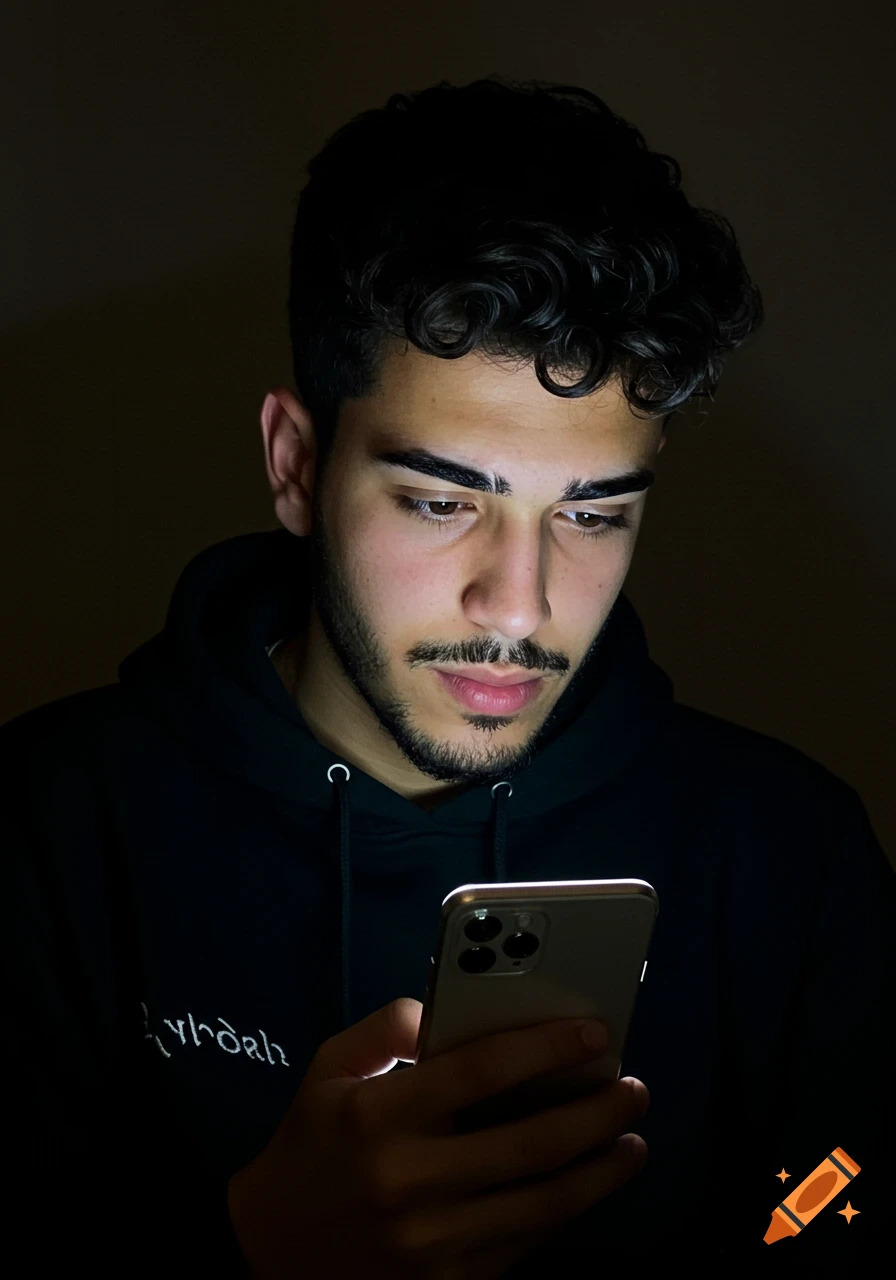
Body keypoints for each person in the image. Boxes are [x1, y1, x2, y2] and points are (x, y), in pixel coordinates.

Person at [3, 75, 893, 1276]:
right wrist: (255, 1247)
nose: (518, 606)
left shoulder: (792, 856)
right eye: (439, 500)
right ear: (295, 464)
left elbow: (841, 1200)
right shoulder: (44, 829)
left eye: (591, 513)